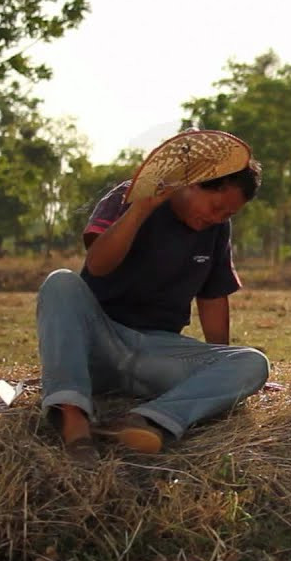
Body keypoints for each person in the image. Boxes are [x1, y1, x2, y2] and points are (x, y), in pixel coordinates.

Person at [37, 161, 270, 464]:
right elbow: (98, 265)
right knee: (60, 282)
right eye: (216, 206)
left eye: (228, 214)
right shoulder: (128, 197)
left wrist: (220, 367)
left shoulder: (216, 229)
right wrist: (139, 210)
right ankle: (73, 420)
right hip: (100, 341)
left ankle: (148, 420)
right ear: (193, 183)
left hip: (156, 354)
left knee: (252, 362)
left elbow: (212, 297)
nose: (217, 218)